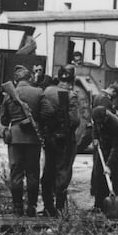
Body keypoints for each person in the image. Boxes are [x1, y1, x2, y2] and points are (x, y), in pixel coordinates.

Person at [1, 65, 44, 217]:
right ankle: (31, 206)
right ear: (29, 78)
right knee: (33, 173)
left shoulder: (8, 95)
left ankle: (17, 207)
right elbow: (46, 113)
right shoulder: (38, 92)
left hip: (15, 138)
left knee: (16, 173)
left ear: (16, 80)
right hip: (33, 137)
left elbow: (4, 119)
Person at [39, 64, 81, 216]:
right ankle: (60, 209)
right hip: (65, 140)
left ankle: (47, 207)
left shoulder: (48, 91)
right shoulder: (71, 95)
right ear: (72, 79)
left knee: (48, 170)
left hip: (48, 137)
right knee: (63, 172)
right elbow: (75, 120)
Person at [91, 105, 118, 213]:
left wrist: (109, 165)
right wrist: (95, 138)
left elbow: (117, 147)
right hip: (102, 148)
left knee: (117, 178)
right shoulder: (97, 118)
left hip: (115, 151)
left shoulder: (116, 124)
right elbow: (95, 128)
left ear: (105, 117)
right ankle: (99, 205)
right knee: (98, 176)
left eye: (101, 122)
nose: (99, 123)